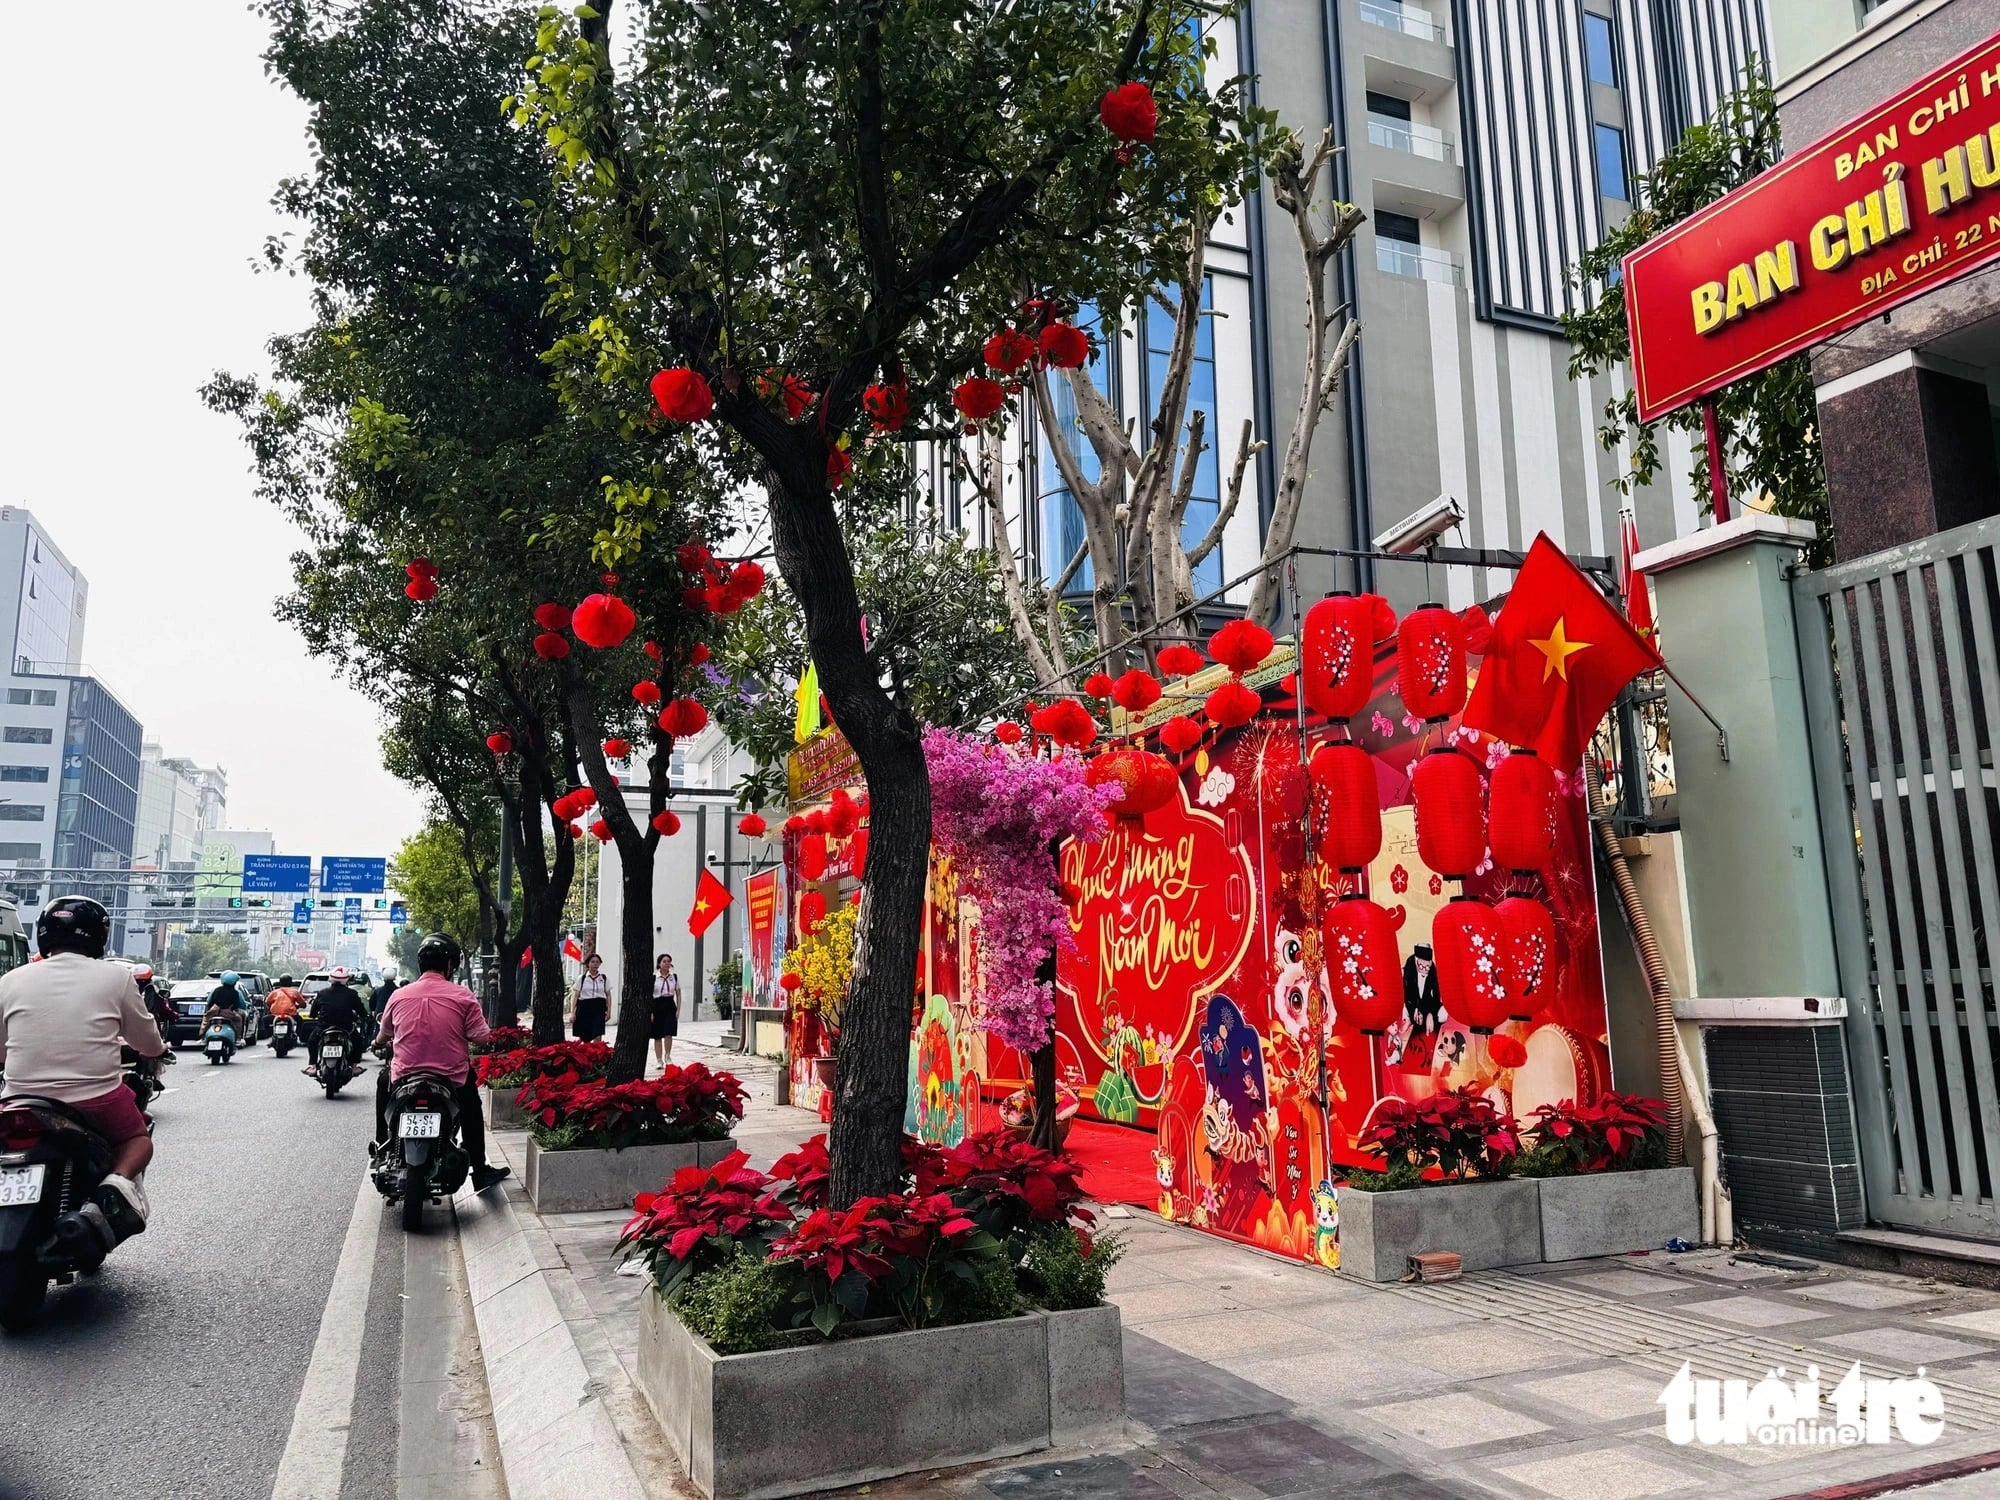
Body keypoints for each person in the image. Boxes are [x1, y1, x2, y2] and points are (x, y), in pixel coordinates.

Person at [0, 896, 165, 1259]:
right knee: (139, 1136)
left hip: (17, 1099)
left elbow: (1, 1050)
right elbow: (148, 1042)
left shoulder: (10, 980)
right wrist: (152, 1050)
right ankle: (114, 1185)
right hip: (96, 1097)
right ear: (98, 936)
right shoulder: (116, 977)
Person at [372, 932, 509, 1191]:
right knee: (471, 1110)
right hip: (452, 1079)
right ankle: (479, 1171)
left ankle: (382, 1144)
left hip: (405, 1077)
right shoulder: (463, 996)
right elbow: (481, 1038)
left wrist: (377, 1044)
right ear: (449, 965)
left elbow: (383, 1035)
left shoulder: (399, 996)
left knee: (382, 1083)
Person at [304, 967, 370, 1076]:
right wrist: (363, 1016)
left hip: (324, 1027)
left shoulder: (322, 993)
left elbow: (313, 1012)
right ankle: (354, 1067)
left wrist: (314, 1015)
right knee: (358, 1042)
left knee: (312, 1041)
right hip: (346, 1027)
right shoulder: (352, 993)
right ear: (346, 980)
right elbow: (361, 1011)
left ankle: (313, 1066)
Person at [649, 954, 680, 1068]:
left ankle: (668, 1056)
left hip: (669, 1004)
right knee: (657, 1034)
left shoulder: (674, 977)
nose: (666, 964)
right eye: (664, 961)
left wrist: (678, 1009)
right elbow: (650, 995)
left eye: (668, 962)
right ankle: (658, 1060)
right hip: (657, 1004)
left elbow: (678, 993)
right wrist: (651, 1012)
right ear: (659, 963)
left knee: (669, 1032)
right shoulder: (654, 977)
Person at [204, 971, 248, 1048]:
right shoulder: (236, 992)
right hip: (229, 1013)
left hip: (214, 1012)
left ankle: (203, 1037)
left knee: (205, 1019)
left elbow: (209, 1002)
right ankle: (238, 1037)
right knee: (239, 1019)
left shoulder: (215, 990)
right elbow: (239, 1005)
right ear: (234, 982)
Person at [572, 953, 609, 1041]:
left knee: (598, 1035)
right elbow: (576, 996)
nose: (595, 964)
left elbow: (608, 995)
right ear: (588, 964)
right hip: (584, 1007)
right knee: (585, 1037)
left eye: (597, 962)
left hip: (599, 1008)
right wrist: (572, 1012)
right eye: (592, 962)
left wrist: (609, 1011)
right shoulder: (582, 978)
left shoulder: (603, 978)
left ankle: (597, 1054)